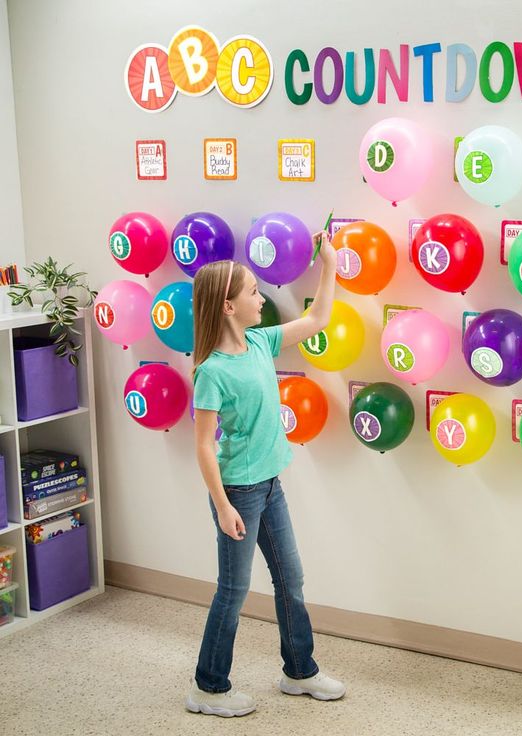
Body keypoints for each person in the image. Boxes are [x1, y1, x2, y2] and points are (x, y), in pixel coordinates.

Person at [185, 233, 344, 718]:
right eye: (253, 292)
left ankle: (299, 671)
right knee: (232, 590)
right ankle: (208, 688)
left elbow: (318, 319)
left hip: (271, 484)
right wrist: (223, 504)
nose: (262, 298)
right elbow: (203, 446)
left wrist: (329, 263)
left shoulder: (260, 340)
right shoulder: (212, 372)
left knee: (290, 578)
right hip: (238, 491)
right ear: (229, 307)